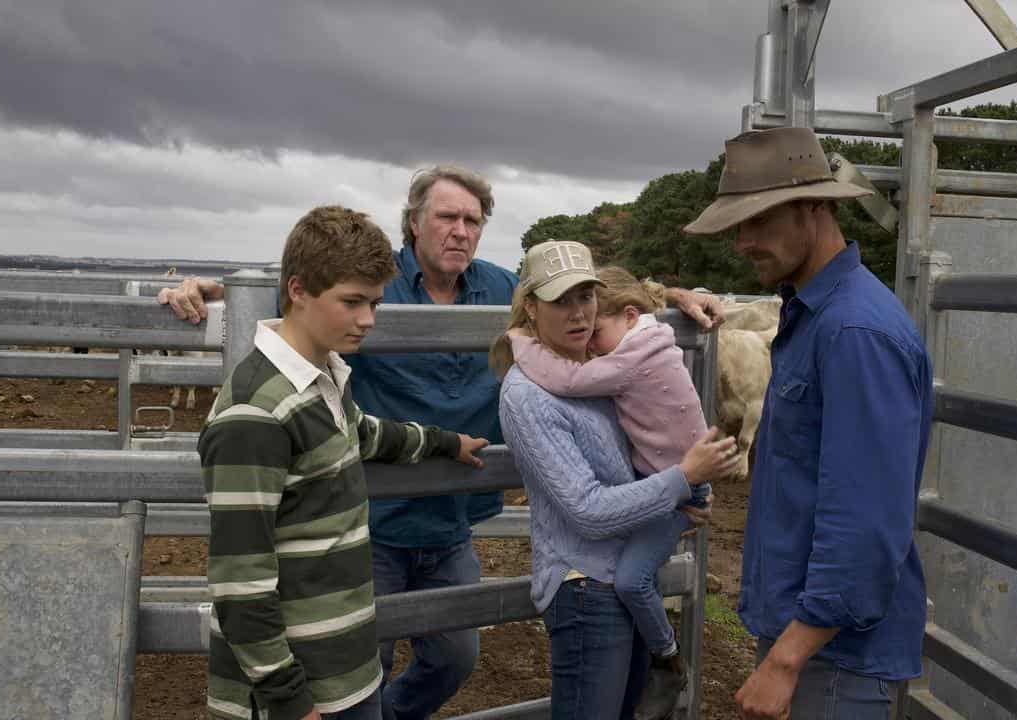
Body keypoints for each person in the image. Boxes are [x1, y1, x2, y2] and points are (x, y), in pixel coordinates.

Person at [159, 166, 726, 719]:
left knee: (452, 656)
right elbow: (311, 277)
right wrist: (218, 289)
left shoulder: (496, 287)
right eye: (447, 217)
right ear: (413, 223)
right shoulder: (364, 288)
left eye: (473, 220)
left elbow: (578, 292)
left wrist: (669, 297)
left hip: (444, 519)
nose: (461, 230)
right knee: (365, 658)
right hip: (372, 524)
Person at [199, 205, 488, 720]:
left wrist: (445, 443)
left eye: (374, 302)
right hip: (300, 694)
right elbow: (240, 582)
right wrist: (289, 699)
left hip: (348, 674)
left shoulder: (323, 377)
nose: (367, 320)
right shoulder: (254, 412)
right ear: (297, 290)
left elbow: (364, 433)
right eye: (351, 302)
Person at [684, 126, 933, 720]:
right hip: (812, 636)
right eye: (737, 225)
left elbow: (866, 518)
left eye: (760, 220)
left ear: (816, 206)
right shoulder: (813, 314)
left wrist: (786, 660)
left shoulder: (853, 332)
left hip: (835, 658)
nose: (743, 242)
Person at [493, 240, 738, 720]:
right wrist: (682, 479)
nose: (578, 313)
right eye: (560, 301)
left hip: (623, 572)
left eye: (585, 297)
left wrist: (673, 296)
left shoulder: (597, 363)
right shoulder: (526, 395)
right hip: (585, 584)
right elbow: (587, 509)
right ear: (530, 307)